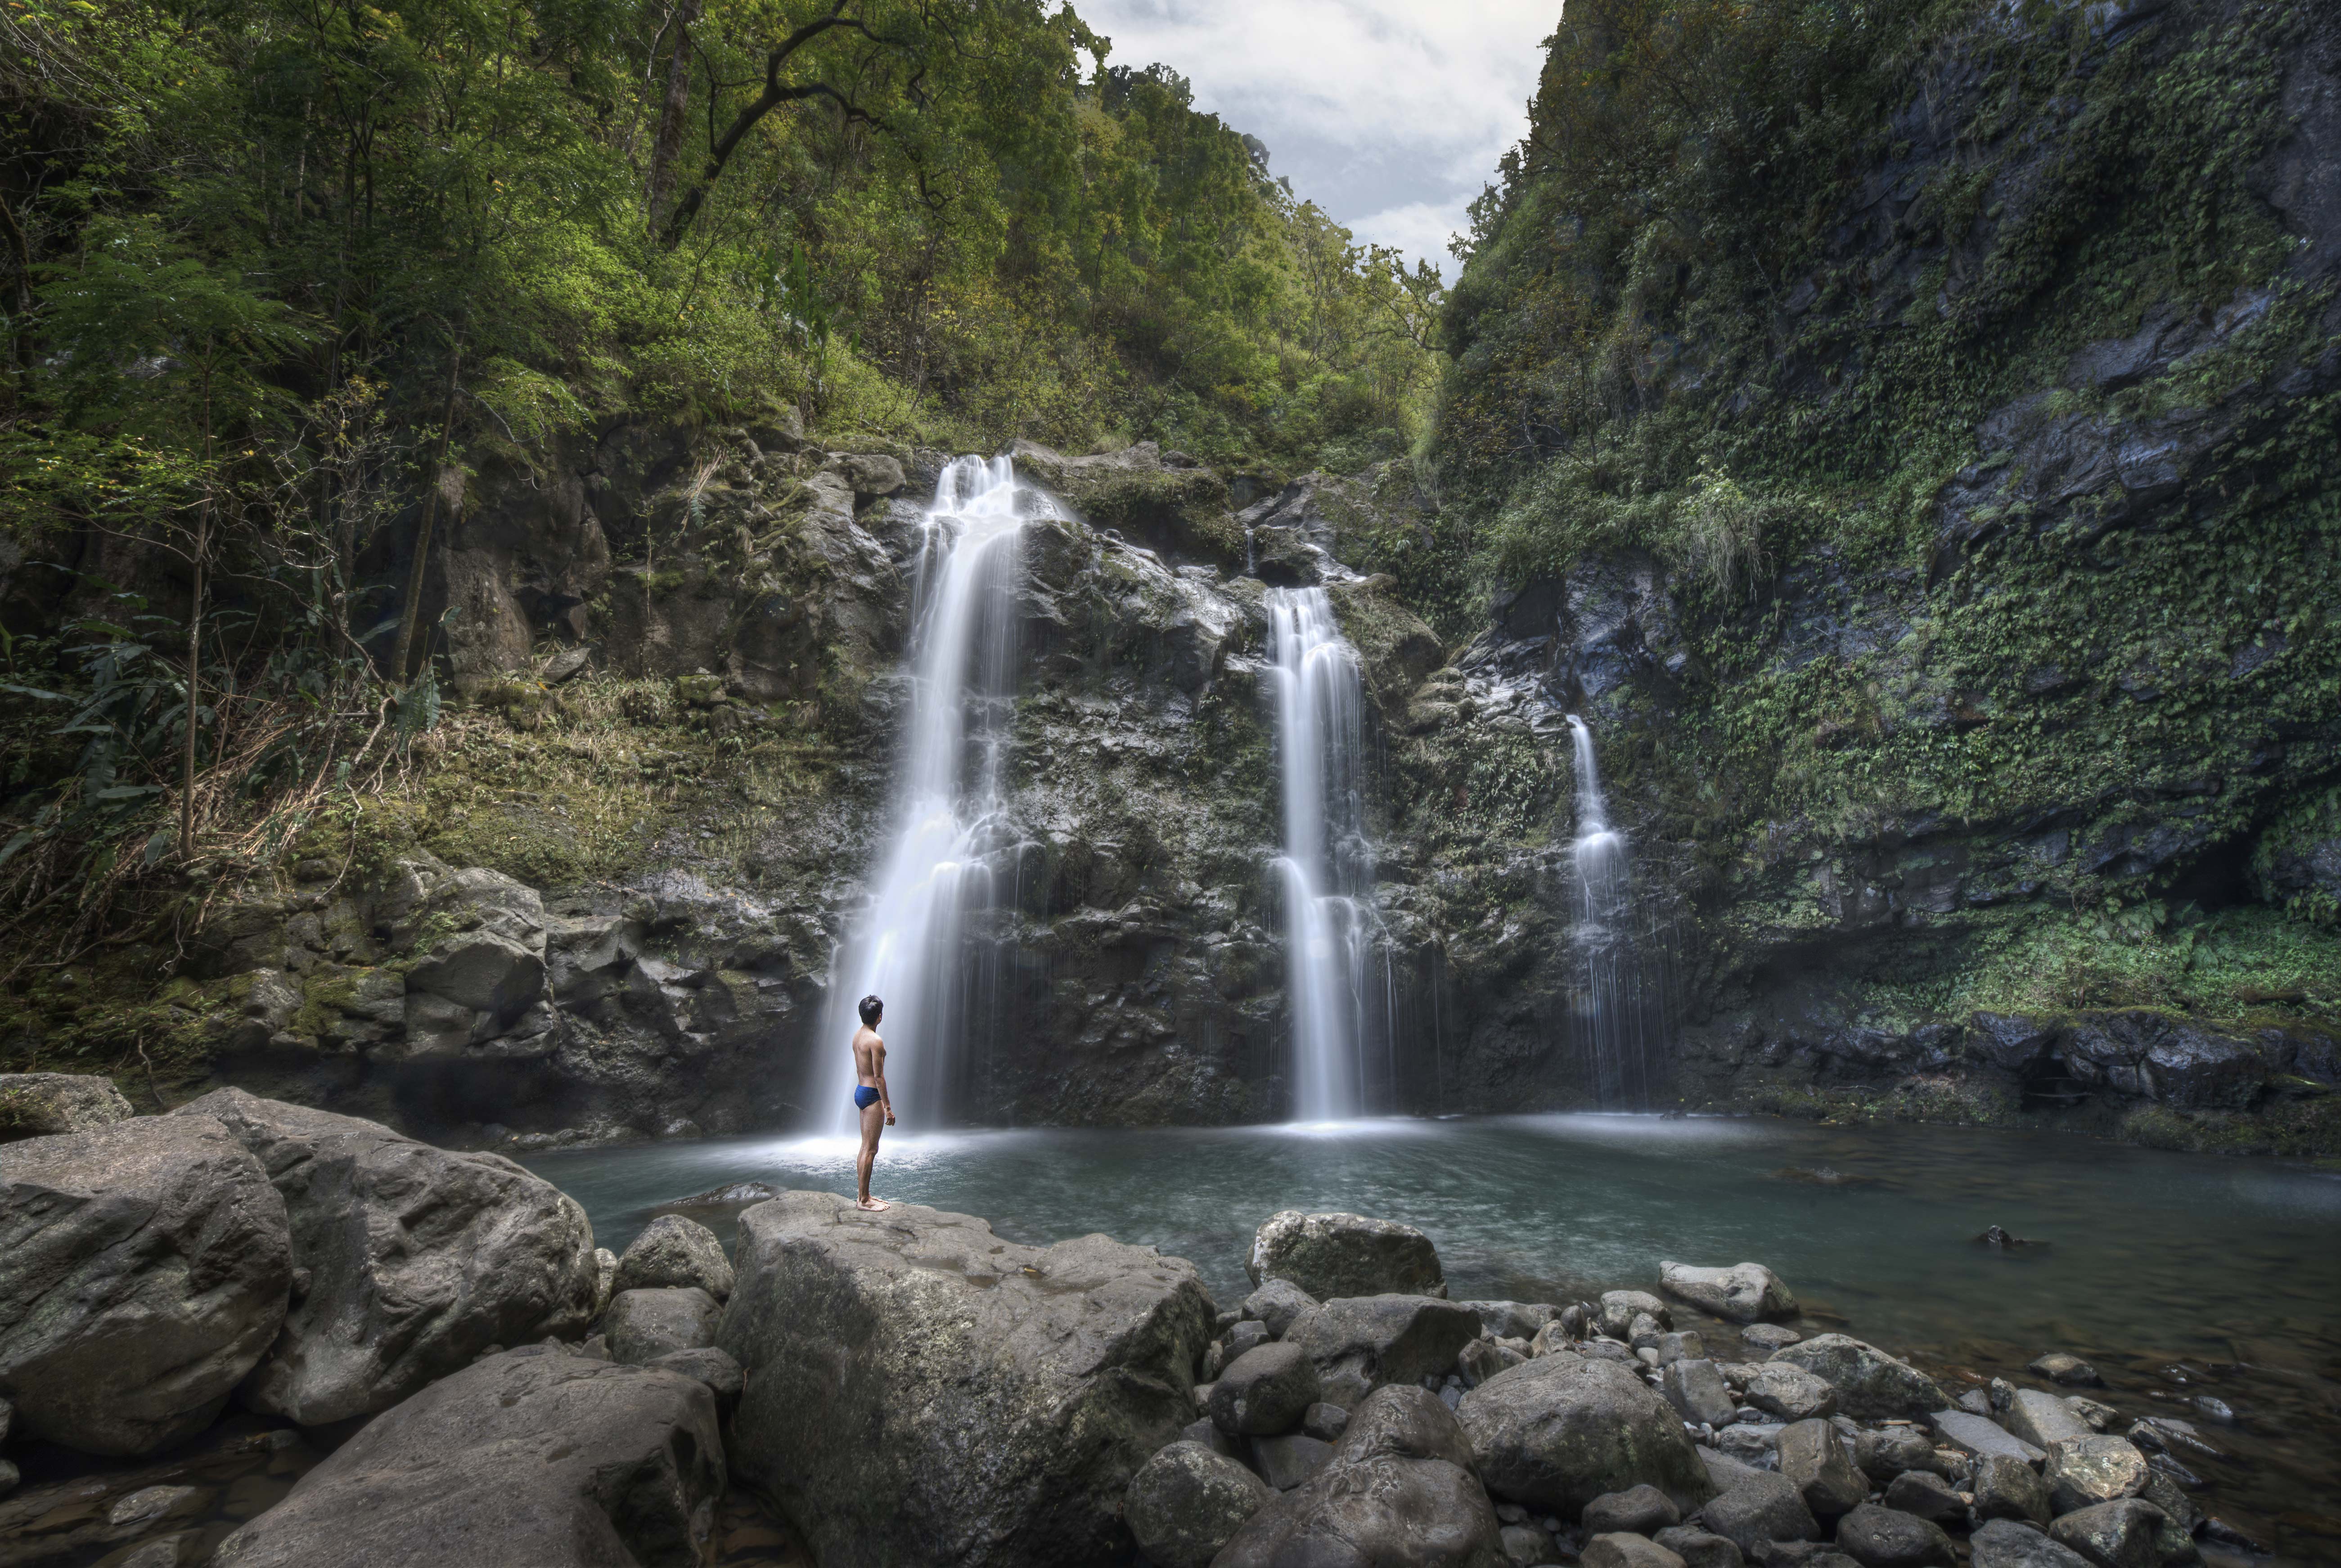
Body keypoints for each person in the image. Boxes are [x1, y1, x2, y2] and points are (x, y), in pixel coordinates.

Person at [851, 994, 896, 1211]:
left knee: (865, 1147)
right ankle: (864, 1200)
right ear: (880, 1017)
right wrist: (888, 1108)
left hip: (860, 1090)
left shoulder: (858, 1036)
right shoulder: (876, 1041)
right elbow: (879, 1077)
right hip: (871, 1094)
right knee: (871, 1149)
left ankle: (862, 1195)